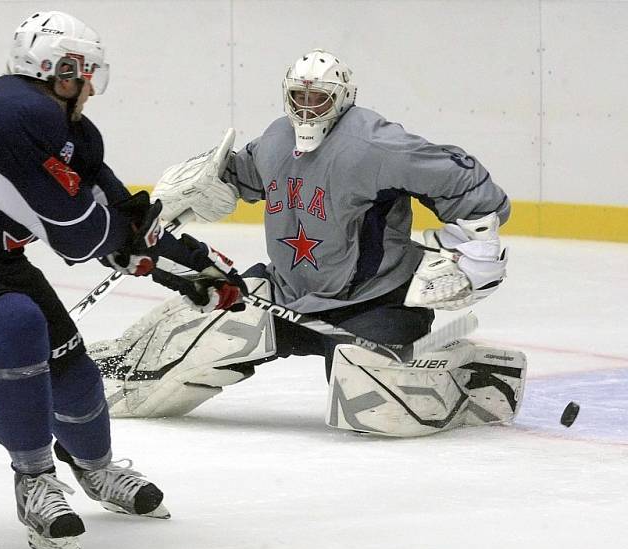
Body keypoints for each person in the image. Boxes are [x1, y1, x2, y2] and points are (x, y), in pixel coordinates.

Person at [0, 11, 245, 549]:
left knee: (74, 369)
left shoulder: (62, 129)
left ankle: (97, 470)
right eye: (85, 76)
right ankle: (34, 481)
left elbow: (121, 215)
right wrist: (136, 245)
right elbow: (81, 240)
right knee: (17, 323)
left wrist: (196, 265)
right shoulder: (16, 111)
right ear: (63, 72)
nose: (90, 90)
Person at [89, 48, 527, 437]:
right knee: (182, 342)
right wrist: (189, 194)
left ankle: (475, 373)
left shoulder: (375, 143)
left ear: (343, 98)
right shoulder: (278, 137)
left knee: (375, 407)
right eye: (299, 96)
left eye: (319, 98)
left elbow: (459, 175)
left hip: (373, 303)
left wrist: (478, 249)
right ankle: (89, 371)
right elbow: (242, 177)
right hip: (287, 294)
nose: (307, 107)